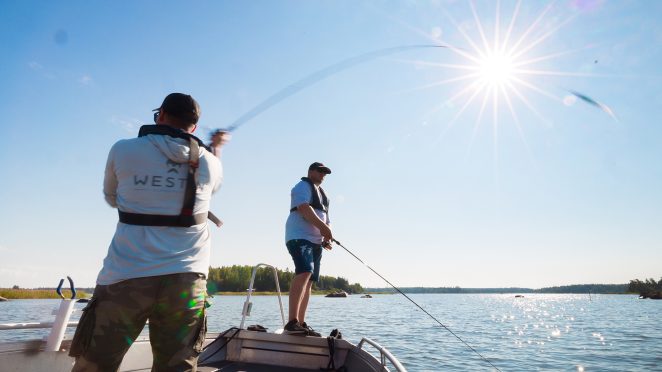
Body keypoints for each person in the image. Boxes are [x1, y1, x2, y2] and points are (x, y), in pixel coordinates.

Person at [70, 93, 227, 371]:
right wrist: (215, 149)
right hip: (186, 282)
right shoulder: (211, 163)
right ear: (193, 127)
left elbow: (111, 197)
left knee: (95, 365)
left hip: (126, 275)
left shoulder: (123, 149)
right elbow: (211, 187)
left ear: (161, 115)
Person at [284, 162, 333, 336]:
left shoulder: (323, 194)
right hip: (299, 236)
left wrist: (326, 236)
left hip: (316, 241)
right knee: (304, 272)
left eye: (325, 173)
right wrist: (324, 228)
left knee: (310, 279)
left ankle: (301, 323)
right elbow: (304, 208)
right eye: (320, 171)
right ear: (311, 171)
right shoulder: (302, 186)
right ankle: (291, 322)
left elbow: (326, 218)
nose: (323, 175)